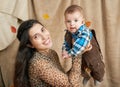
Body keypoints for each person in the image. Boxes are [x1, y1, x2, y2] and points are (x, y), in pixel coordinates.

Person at [13, 19, 86, 87]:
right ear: (30, 44)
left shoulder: (51, 53)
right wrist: (77, 51)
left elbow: (64, 80)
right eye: (36, 36)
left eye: (42, 30)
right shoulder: (39, 63)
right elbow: (71, 85)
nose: (44, 37)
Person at [62, 5, 105, 86]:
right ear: (65, 22)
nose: (72, 24)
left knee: (97, 68)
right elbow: (66, 42)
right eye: (68, 21)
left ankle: (97, 79)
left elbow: (79, 47)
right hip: (81, 58)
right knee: (82, 69)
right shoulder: (68, 33)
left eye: (75, 20)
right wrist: (64, 50)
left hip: (92, 56)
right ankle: (87, 76)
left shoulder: (85, 33)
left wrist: (69, 54)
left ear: (82, 22)